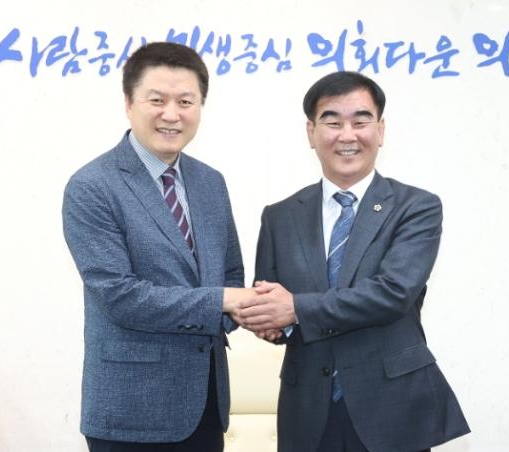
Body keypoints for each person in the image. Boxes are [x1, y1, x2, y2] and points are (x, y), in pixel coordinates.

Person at [239, 71, 470, 452]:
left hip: (392, 406)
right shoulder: (279, 216)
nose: (347, 135)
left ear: (380, 130)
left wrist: (295, 309)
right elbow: (273, 301)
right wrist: (270, 322)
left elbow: (393, 293)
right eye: (332, 122)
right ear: (311, 132)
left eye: (360, 121)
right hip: (308, 410)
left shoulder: (416, 207)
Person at [62, 42, 253, 452]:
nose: (172, 114)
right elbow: (121, 296)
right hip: (131, 414)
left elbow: (231, 273)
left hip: (205, 405)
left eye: (185, 101)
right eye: (157, 100)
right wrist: (223, 301)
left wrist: (242, 310)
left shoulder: (210, 182)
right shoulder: (92, 186)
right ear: (129, 104)